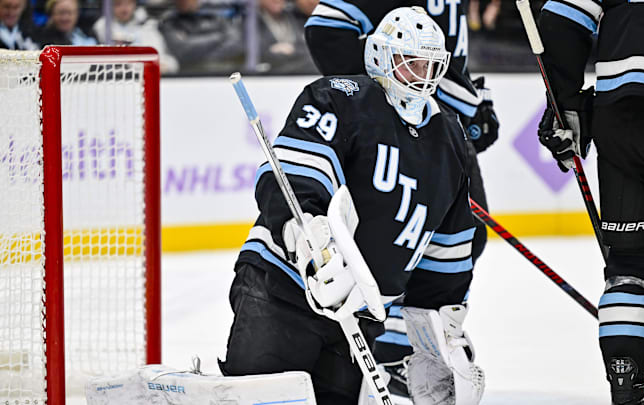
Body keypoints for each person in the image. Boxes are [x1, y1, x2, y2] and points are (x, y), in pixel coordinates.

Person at [219, 6, 484, 405]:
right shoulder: (339, 97)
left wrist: (436, 340)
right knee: (264, 399)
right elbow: (293, 176)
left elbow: (446, 251)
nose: (420, 75)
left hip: (361, 317)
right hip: (282, 289)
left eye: (429, 65)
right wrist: (307, 240)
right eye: (408, 62)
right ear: (380, 56)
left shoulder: (450, 139)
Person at [304, 0, 498, 396]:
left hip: (442, 128)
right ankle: (392, 348)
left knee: (460, 236)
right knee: (390, 230)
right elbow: (325, 29)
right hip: (395, 120)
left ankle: (417, 344)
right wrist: (377, 91)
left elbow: (448, 57)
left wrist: (474, 97)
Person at [534, 0, 644, 403]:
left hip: (622, 115)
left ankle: (625, 385)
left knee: (631, 269)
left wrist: (564, 104)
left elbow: (561, 19)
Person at [92, 0, 179, 74]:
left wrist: (165, 66)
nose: (124, 9)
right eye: (118, 4)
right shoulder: (102, 27)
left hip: (150, 79)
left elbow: (170, 62)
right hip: (119, 82)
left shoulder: (148, 26)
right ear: (110, 6)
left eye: (128, 3)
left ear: (135, 4)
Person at [158, 0, 244, 73]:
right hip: (188, 76)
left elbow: (236, 45)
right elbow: (182, 51)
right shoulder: (170, 23)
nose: (185, 1)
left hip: (224, 74)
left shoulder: (217, 18)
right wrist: (219, 37)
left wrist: (201, 56)